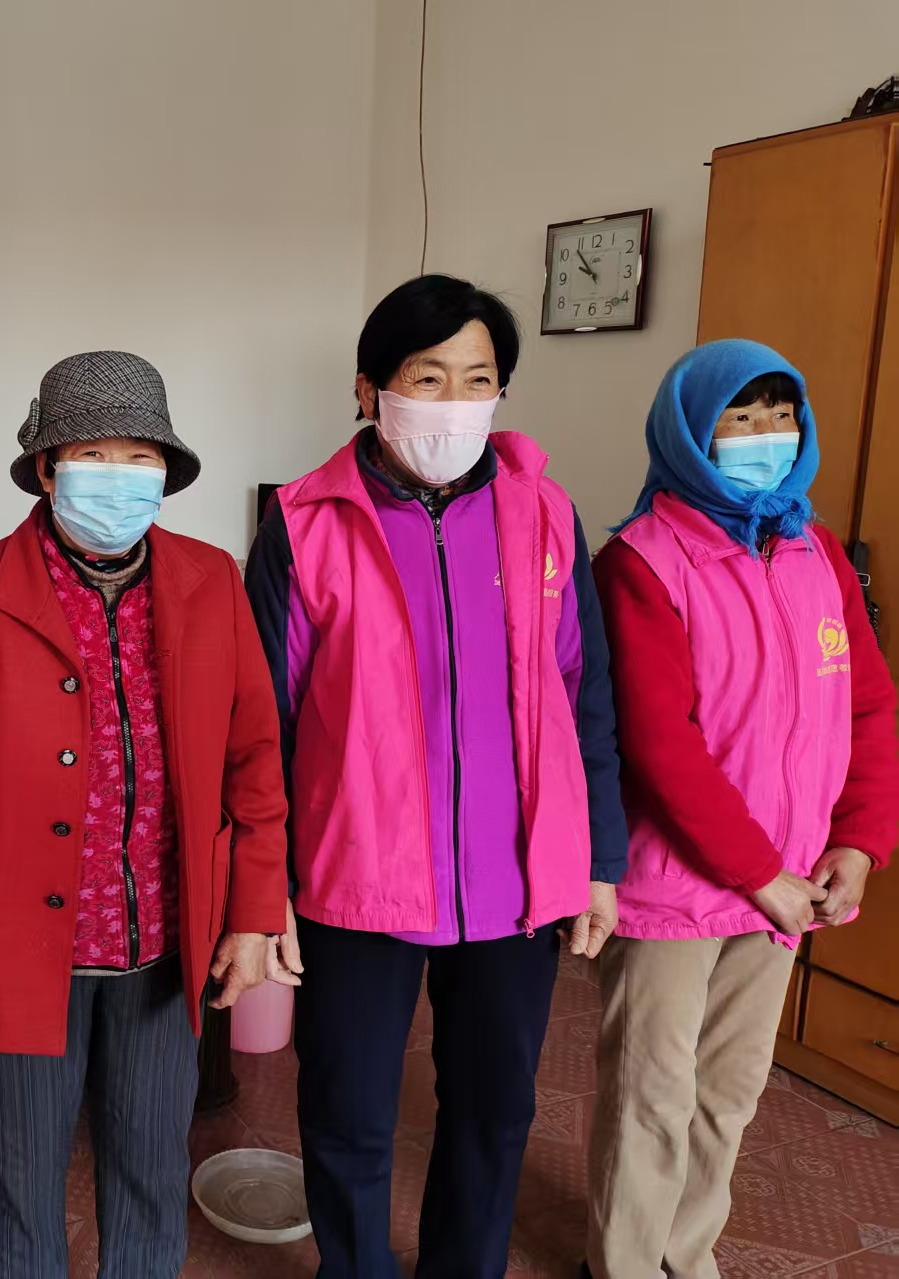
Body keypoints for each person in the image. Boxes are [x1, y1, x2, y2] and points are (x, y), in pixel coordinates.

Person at [0, 351, 291, 1278]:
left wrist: (255, 913)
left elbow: (254, 760)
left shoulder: (212, 580)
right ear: (48, 468)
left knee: (151, 1174)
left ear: (166, 473)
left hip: (165, 949)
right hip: (16, 953)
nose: (118, 475)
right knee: (18, 1187)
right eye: (93, 454)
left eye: (140, 457)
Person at [245, 275, 628, 1278]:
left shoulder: (545, 514)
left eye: (478, 378)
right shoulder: (303, 524)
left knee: (494, 1110)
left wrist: (597, 859)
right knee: (347, 1110)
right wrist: (264, 882)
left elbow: (584, 696)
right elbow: (263, 726)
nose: (454, 402)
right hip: (354, 880)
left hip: (513, 881)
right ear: (368, 389)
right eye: (427, 377)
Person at [585, 340, 899, 1277]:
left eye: (781, 414)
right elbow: (660, 743)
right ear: (690, 430)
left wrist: (859, 842)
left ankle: (688, 1255)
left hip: (789, 883)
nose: (767, 434)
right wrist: (760, 873)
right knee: (652, 1091)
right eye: (741, 416)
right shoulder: (642, 561)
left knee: (729, 1090)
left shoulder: (817, 552)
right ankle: (624, 1263)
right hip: (678, 888)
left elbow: (868, 705)